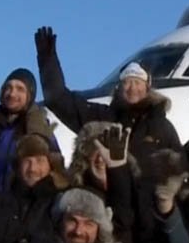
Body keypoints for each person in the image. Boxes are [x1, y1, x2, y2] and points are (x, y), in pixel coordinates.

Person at [34, 26, 180, 173]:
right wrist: (47, 60)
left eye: (137, 82)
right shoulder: (103, 118)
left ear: (147, 88)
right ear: (119, 87)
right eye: (127, 82)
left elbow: (180, 166)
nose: (132, 88)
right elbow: (58, 100)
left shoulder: (162, 127)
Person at [0, 68, 61, 194]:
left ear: (30, 95)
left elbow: (55, 169)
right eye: (8, 88)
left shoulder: (38, 126)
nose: (12, 94)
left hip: (21, 205)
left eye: (20, 89)